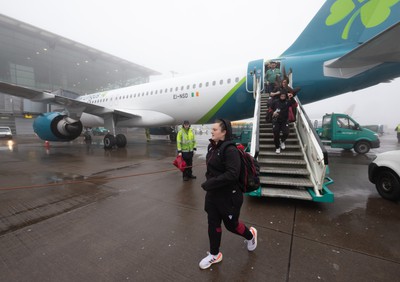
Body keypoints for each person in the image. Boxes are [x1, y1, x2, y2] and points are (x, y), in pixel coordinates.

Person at [199, 118, 257, 270]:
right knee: (213, 223)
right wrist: (210, 183)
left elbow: (232, 174)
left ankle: (250, 235)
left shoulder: (230, 150)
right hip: (213, 195)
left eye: (215, 130)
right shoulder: (212, 148)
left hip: (229, 196)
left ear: (224, 132)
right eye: (212, 130)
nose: (212, 132)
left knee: (232, 225)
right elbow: (211, 170)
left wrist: (210, 183)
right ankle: (214, 254)